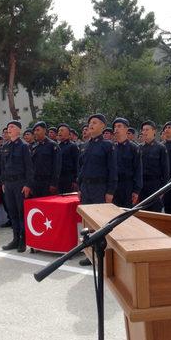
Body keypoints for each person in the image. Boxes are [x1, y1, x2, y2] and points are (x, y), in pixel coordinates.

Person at [77, 114, 117, 266]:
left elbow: (112, 170)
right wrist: (79, 185)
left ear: (102, 126)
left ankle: (102, 254)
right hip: (86, 188)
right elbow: (80, 168)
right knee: (87, 222)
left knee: (101, 222)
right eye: (89, 123)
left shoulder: (108, 146)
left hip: (100, 188)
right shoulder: (84, 146)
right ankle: (89, 254)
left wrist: (110, 191)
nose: (91, 125)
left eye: (94, 122)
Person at [0, 120, 34, 252]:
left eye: (12, 127)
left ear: (19, 130)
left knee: (21, 212)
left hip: (20, 183)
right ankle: (15, 239)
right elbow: (3, 167)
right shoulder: (5, 146)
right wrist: (3, 182)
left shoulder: (24, 146)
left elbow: (29, 167)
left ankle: (23, 240)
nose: (9, 129)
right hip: (8, 184)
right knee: (12, 211)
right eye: (8, 127)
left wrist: (28, 184)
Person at [138, 120, 168, 213]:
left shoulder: (161, 148)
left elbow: (165, 170)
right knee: (143, 212)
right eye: (143, 130)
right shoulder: (139, 148)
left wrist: (163, 189)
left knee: (155, 212)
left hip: (155, 184)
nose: (144, 132)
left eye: (147, 129)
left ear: (154, 131)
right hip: (142, 185)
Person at [112, 117, 142, 209]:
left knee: (127, 215)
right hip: (114, 186)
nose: (116, 129)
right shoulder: (111, 147)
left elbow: (138, 170)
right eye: (115, 127)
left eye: (119, 126)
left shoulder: (134, 148)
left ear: (126, 129)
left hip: (127, 186)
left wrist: (136, 190)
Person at [30, 121, 61, 198]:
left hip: (47, 182)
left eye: (38, 130)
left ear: (44, 130)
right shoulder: (34, 146)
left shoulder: (52, 145)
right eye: (34, 131)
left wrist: (53, 183)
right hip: (35, 182)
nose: (35, 132)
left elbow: (57, 166)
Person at [57, 123, 79, 194]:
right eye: (59, 130)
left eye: (62, 130)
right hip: (58, 179)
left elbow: (77, 164)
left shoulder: (73, 146)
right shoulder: (57, 146)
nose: (59, 132)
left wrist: (75, 180)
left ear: (69, 134)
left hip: (69, 179)